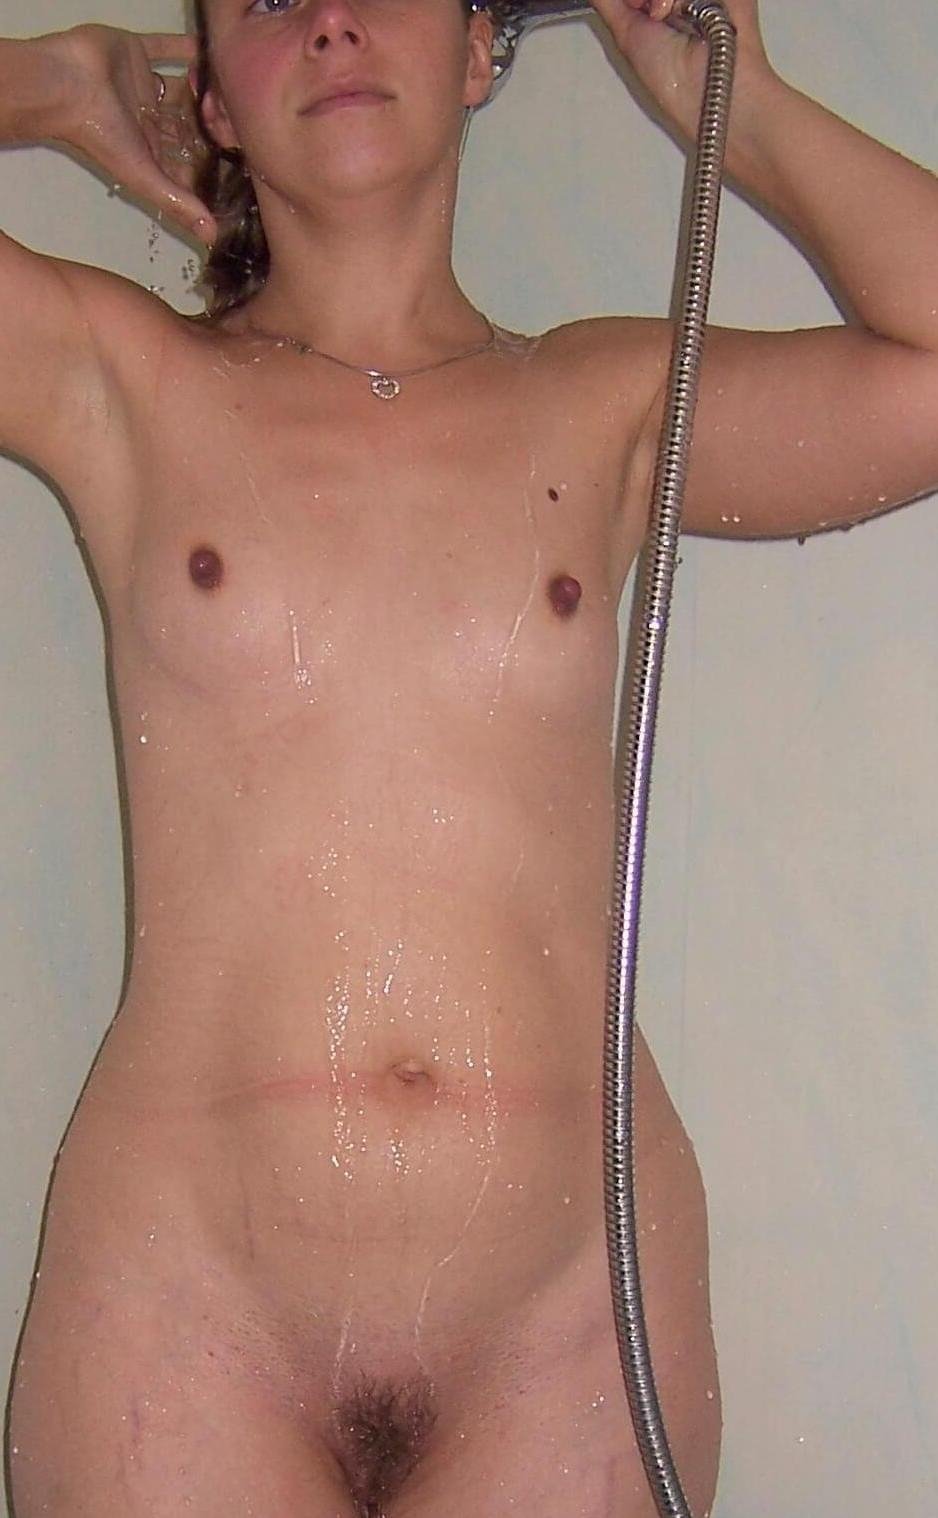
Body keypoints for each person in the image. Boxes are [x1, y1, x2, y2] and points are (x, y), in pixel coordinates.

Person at [3, 1, 937, 1514]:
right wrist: (49, 88)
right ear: (215, 100)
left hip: (565, 1309)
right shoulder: (117, 376)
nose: (328, 22)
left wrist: (740, 111)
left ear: (481, 48)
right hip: (183, 1299)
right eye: (265, 0)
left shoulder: (611, 402)